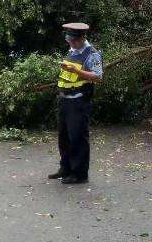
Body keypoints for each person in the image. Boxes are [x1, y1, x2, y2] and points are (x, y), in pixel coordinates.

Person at [48, 23, 103, 184]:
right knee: (63, 137)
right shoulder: (71, 51)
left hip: (79, 100)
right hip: (65, 99)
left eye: (73, 40)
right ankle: (65, 168)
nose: (70, 43)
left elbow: (98, 76)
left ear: (82, 38)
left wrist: (77, 71)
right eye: (68, 39)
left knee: (78, 137)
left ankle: (79, 174)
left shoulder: (92, 54)